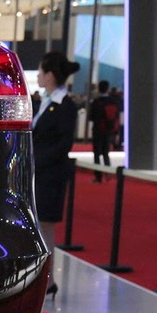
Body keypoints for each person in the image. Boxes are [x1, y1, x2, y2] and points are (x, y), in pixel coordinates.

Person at [32, 51, 80, 299]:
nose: (38, 76)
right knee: (40, 226)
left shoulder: (65, 106)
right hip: (39, 174)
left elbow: (63, 144)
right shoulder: (45, 102)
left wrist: (35, 162)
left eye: (41, 71)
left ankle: (47, 280)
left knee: (45, 226)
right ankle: (43, 278)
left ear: (50, 75)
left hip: (50, 175)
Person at [88, 80, 121, 181]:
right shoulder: (113, 101)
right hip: (108, 130)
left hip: (98, 130)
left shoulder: (96, 102)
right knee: (106, 152)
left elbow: (91, 117)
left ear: (99, 89)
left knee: (97, 153)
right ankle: (108, 173)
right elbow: (116, 116)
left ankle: (98, 176)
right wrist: (116, 132)